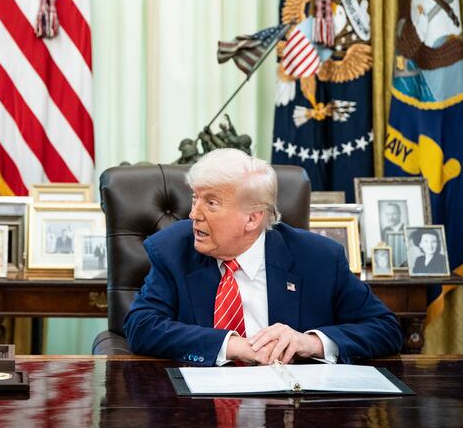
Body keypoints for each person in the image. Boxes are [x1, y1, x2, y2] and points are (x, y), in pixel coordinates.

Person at [124, 149, 403, 366]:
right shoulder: (173, 250)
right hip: (199, 409)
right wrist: (234, 346)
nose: (194, 214)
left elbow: (385, 329)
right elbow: (141, 326)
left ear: (252, 218)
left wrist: (310, 343)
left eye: (210, 203)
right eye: (195, 198)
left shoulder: (319, 259)